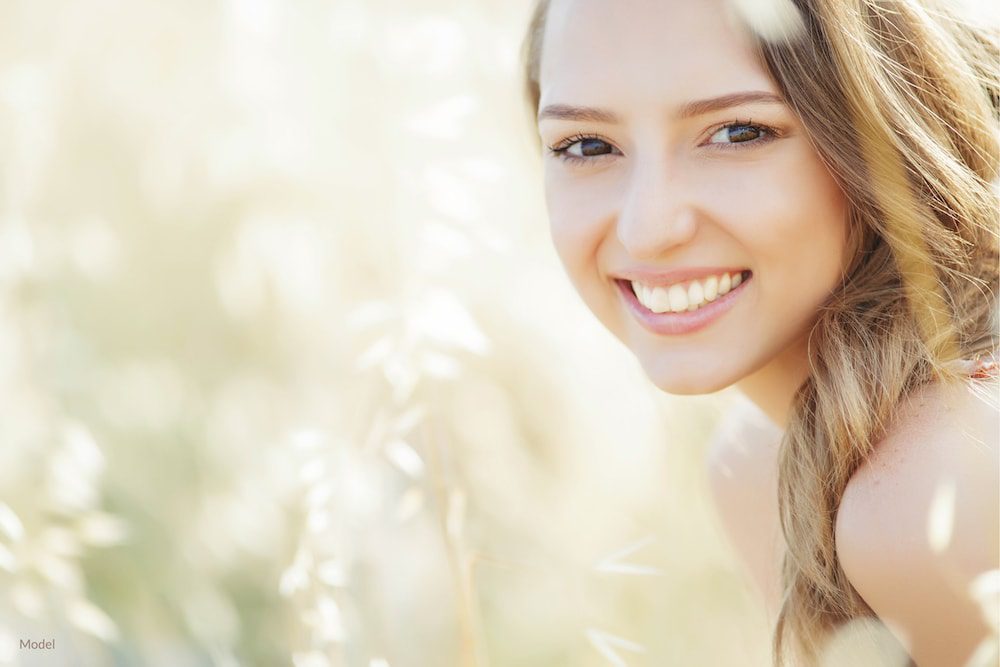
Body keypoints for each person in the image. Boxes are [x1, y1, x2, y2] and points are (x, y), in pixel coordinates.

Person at [522, 0, 999, 664]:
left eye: (738, 132)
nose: (647, 228)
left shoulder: (932, 488)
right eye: (587, 145)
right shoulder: (757, 463)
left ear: (884, 127)